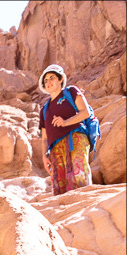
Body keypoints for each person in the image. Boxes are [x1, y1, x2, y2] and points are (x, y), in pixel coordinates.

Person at [38, 64, 93, 196]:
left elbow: (85, 113)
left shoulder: (71, 92)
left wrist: (65, 122)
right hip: (55, 149)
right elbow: (44, 138)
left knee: (79, 178)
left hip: (76, 139)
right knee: (60, 188)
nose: (48, 82)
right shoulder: (44, 110)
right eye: (46, 80)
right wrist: (44, 156)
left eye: (52, 78)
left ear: (60, 79)